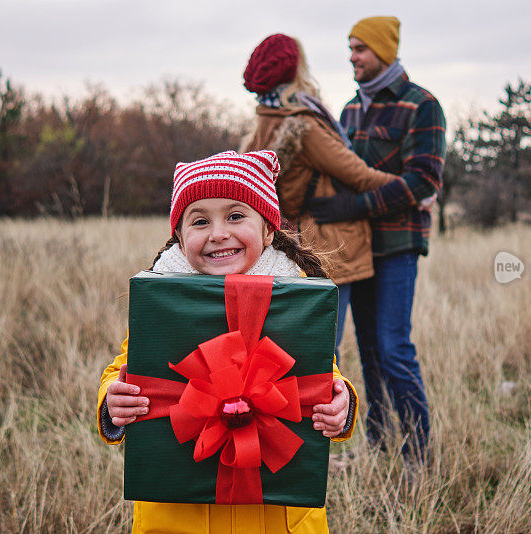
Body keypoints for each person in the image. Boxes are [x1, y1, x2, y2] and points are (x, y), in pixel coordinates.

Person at [96, 150, 358, 534]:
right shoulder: (164, 301)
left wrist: (343, 403)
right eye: (200, 221)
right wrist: (112, 402)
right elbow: (129, 369)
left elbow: (320, 376)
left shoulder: (296, 300)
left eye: (236, 216)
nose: (218, 233)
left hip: (274, 517)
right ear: (181, 238)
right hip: (179, 515)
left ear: (269, 229)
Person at [309, 16, 447, 462]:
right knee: (367, 350)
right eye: (350, 48)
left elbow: (423, 180)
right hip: (357, 249)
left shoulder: (421, 105)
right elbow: (343, 173)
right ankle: (379, 442)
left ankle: (417, 455)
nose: (352, 57)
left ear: (383, 51)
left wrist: (355, 207)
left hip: (397, 248)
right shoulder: (349, 110)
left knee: (393, 348)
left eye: (360, 49)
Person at [239, 33, 404, 355]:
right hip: (328, 249)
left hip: (287, 248)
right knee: (325, 351)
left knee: (291, 348)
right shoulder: (305, 125)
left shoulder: (262, 123)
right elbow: (360, 175)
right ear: (297, 70)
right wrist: (413, 189)